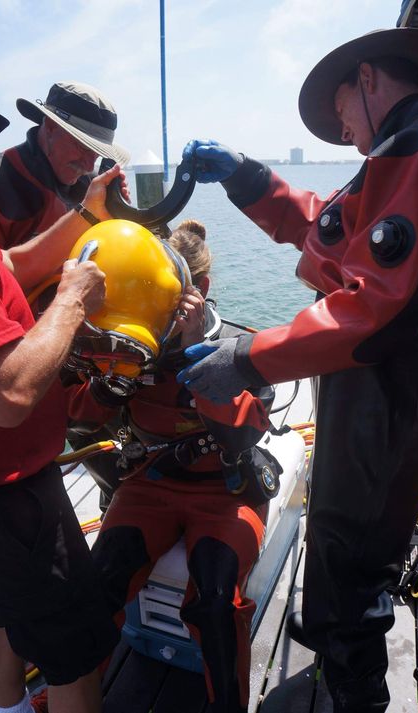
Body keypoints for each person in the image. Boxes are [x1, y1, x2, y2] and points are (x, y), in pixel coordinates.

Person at [178, 28, 418, 713]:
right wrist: (245, 175)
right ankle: (337, 644)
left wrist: (247, 356)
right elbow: (321, 230)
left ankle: (354, 688)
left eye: (342, 109)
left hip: (391, 391)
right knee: (337, 535)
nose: (342, 128)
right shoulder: (395, 152)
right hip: (371, 391)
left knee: (351, 561)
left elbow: (379, 305)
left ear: (367, 80)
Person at [0, 81, 131, 713]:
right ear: (50, 130)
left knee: (3, 610)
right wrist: (70, 304)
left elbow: (12, 266)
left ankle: (4, 707)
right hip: (5, 488)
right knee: (74, 648)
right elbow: (5, 391)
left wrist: (88, 212)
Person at [90, 218, 278, 713]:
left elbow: (244, 432)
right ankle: (75, 696)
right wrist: (104, 376)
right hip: (151, 483)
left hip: (226, 488)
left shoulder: (237, 350)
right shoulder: (129, 345)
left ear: (200, 291)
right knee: (101, 579)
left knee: (217, 600)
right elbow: (82, 423)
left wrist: (198, 356)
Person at [0, 80, 130, 248]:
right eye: (83, 147)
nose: (89, 166)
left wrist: (116, 215)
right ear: (51, 127)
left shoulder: (95, 185)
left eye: (97, 154)